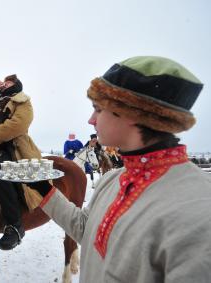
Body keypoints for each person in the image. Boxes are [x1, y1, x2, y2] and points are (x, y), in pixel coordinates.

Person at [29, 56, 211, 282]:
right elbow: (86, 230)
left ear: (133, 113)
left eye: (97, 109)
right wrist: (43, 189)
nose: (91, 120)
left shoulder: (199, 212)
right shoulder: (112, 179)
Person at [0, 74, 43, 250]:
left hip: (12, 148)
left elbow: (18, 125)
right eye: (4, 82)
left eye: (9, 82)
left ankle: (15, 225)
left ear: (17, 86)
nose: (5, 84)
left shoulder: (22, 102)